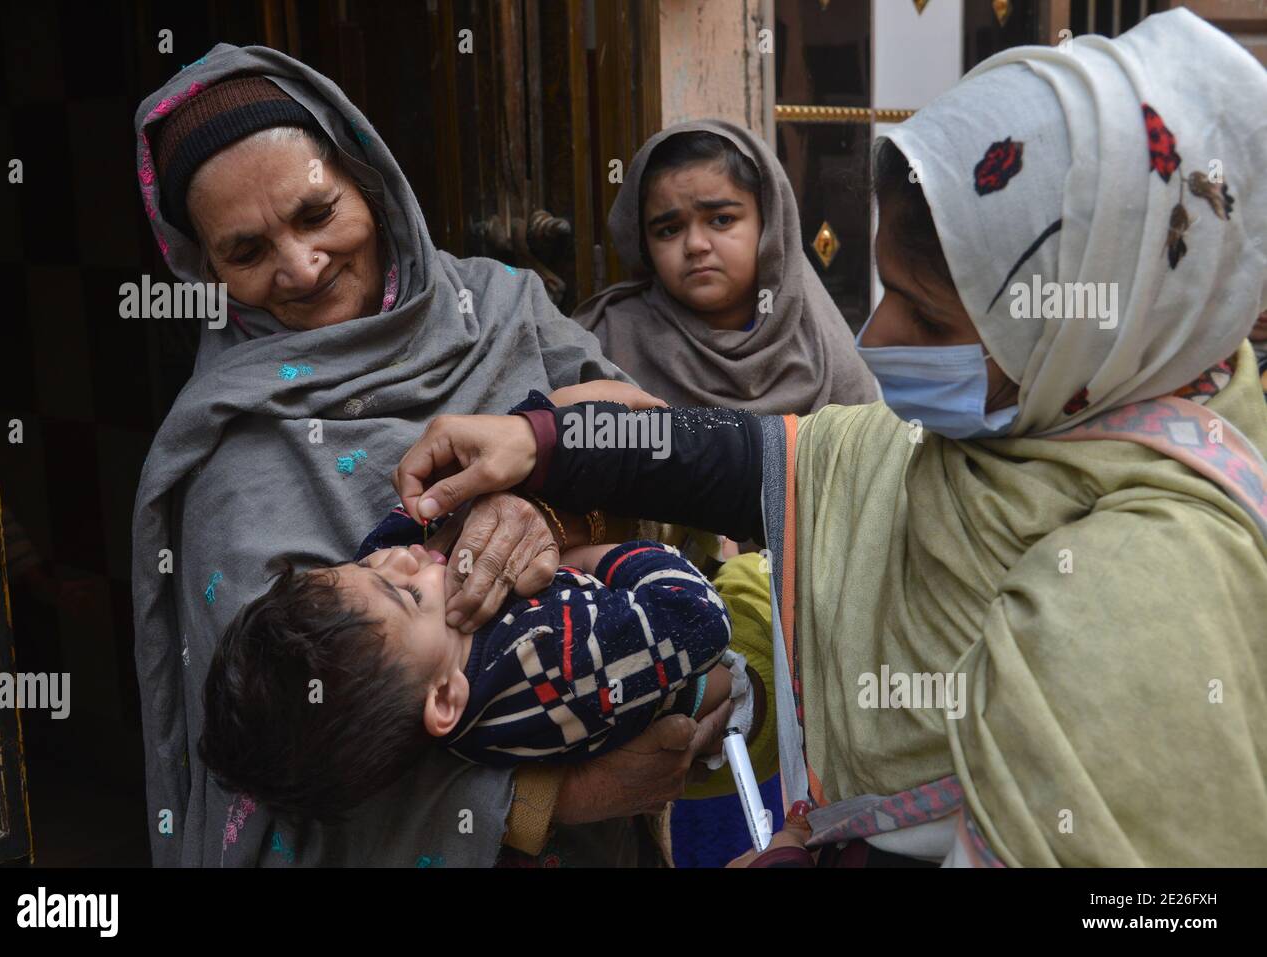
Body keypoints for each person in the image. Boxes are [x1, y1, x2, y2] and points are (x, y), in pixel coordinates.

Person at [392, 9, 1267, 866]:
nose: (874, 341)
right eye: (885, 291)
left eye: (924, 314)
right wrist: (541, 444)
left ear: (1081, 328)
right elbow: (767, 462)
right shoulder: (1031, 429)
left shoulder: (1162, 577)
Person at [131, 45, 730, 868]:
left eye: (315, 214)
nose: (300, 268)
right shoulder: (229, 467)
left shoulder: (498, 305)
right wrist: (560, 797)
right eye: (245, 252)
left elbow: (665, 444)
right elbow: (287, 780)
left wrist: (545, 496)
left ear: (369, 181)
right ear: (205, 269)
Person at [198, 503, 744, 822]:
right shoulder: (553, 657)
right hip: (719, 668)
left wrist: (409, 545)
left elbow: (402, 558)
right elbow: (700, 621)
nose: (405, 559)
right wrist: (601, 560)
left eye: (364, 565)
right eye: (408, 593)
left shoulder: (418, 676)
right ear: (443, 699)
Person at [573, 119, 876, 415]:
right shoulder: (608, 342)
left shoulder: (825, 352)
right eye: (669, 230)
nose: (695, 244)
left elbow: (859, 458)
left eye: (721, 220)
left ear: (769, 224)